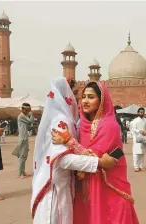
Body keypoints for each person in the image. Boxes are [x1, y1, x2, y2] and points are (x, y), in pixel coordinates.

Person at [52, 81, 139, 224]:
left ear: (101, 101)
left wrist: (69, 140)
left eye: (91, 97)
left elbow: (93, 156)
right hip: (87, 185)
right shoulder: (83, 125)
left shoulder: (109, 125)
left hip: (108, 188)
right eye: (84, 96)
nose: (85, 101)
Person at [31, 77, 111, 224]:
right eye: (74, 94)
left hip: (61, 186)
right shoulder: (61, 119)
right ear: (65, 97)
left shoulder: (65, 118)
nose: (79, 99)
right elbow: (62, 159)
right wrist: (98, 162)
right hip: (55, 192)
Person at [12, 103, 34, 179]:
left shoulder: (24, 117)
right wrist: (31, 113)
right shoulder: (21, 116)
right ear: (23, 109)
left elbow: (28, 127)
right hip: (22, 138)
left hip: (25, 137)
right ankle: (20, 173)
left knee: (24, 155)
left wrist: (31, 126)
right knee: (22, 156)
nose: (28, 111)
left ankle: (23, 171)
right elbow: (31, 120)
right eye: (27, 110)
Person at [131, 107, 146, 172]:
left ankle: (140, 166)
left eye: (143, 112)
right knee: (136, 153)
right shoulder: (135, 120)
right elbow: (133, 129)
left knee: (142, 153)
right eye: (140, 112)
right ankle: (136, 166)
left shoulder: (145, 120)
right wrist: (139, 131)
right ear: (138, 113)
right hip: (137, 138)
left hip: (144, 137)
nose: (142, 113)